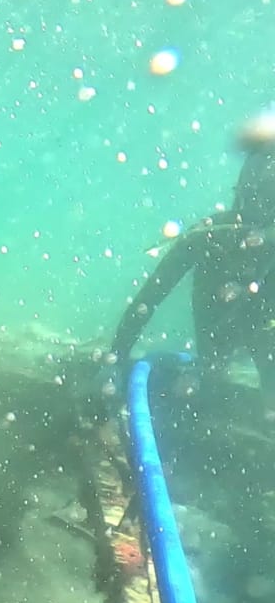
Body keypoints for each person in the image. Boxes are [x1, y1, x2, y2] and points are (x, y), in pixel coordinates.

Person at [103, 136, 275, 417]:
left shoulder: (212, 237)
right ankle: (212, 371)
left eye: (268, 201)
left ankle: (215, 372)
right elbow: (149, 298)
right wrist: (114, 360)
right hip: (221, 347)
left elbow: (148, 300)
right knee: (209, 378)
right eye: (258, 198)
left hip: (255, 342)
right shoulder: (209, 237)